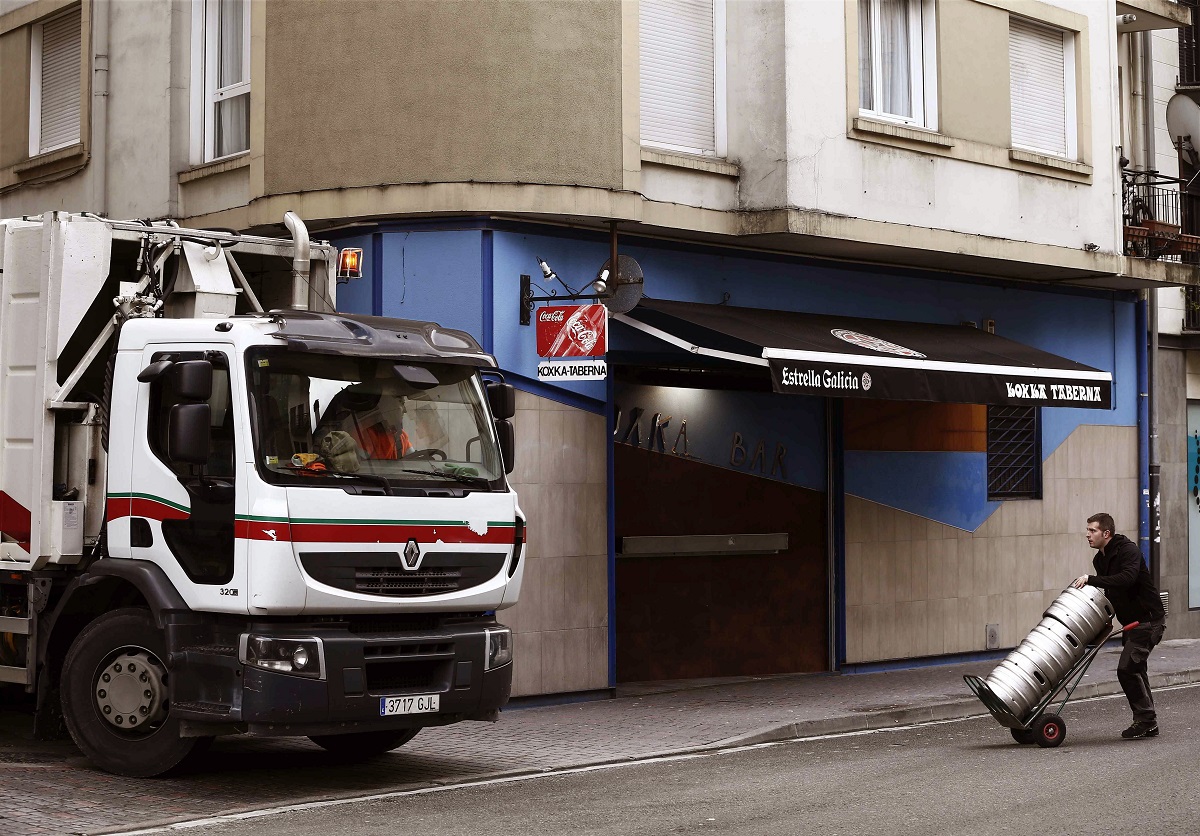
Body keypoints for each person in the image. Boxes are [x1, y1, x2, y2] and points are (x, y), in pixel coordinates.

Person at [1071, 512, 1166, 740]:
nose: (1087, 535)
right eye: (1087, 530)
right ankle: (1148, 721)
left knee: (1127, 669)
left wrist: (1091, 579)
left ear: (1106, 533)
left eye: (1092, 530)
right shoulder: (1100, 560)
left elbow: (1127, 579)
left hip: (1148, 620)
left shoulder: (1128, 551)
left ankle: (1146, 720)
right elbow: (1113, 593)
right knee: (1136, 669)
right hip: (1131, 624)